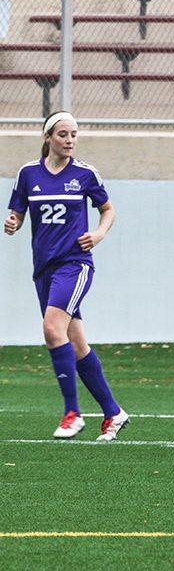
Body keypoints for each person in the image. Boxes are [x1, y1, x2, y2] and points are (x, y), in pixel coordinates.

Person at [4, 111, 129, 441]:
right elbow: (16, 211)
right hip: (43, 268)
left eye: (74, 134)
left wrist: (100, 233)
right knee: (76, 344)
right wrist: (13, 222)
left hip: (74, 264)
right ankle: (113, 412)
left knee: (51, 327)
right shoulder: (28, 174)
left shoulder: (85, 174)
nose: (70, 140)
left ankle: (72, 413)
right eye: (63, 134)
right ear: (48, 138)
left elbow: (108, 209)